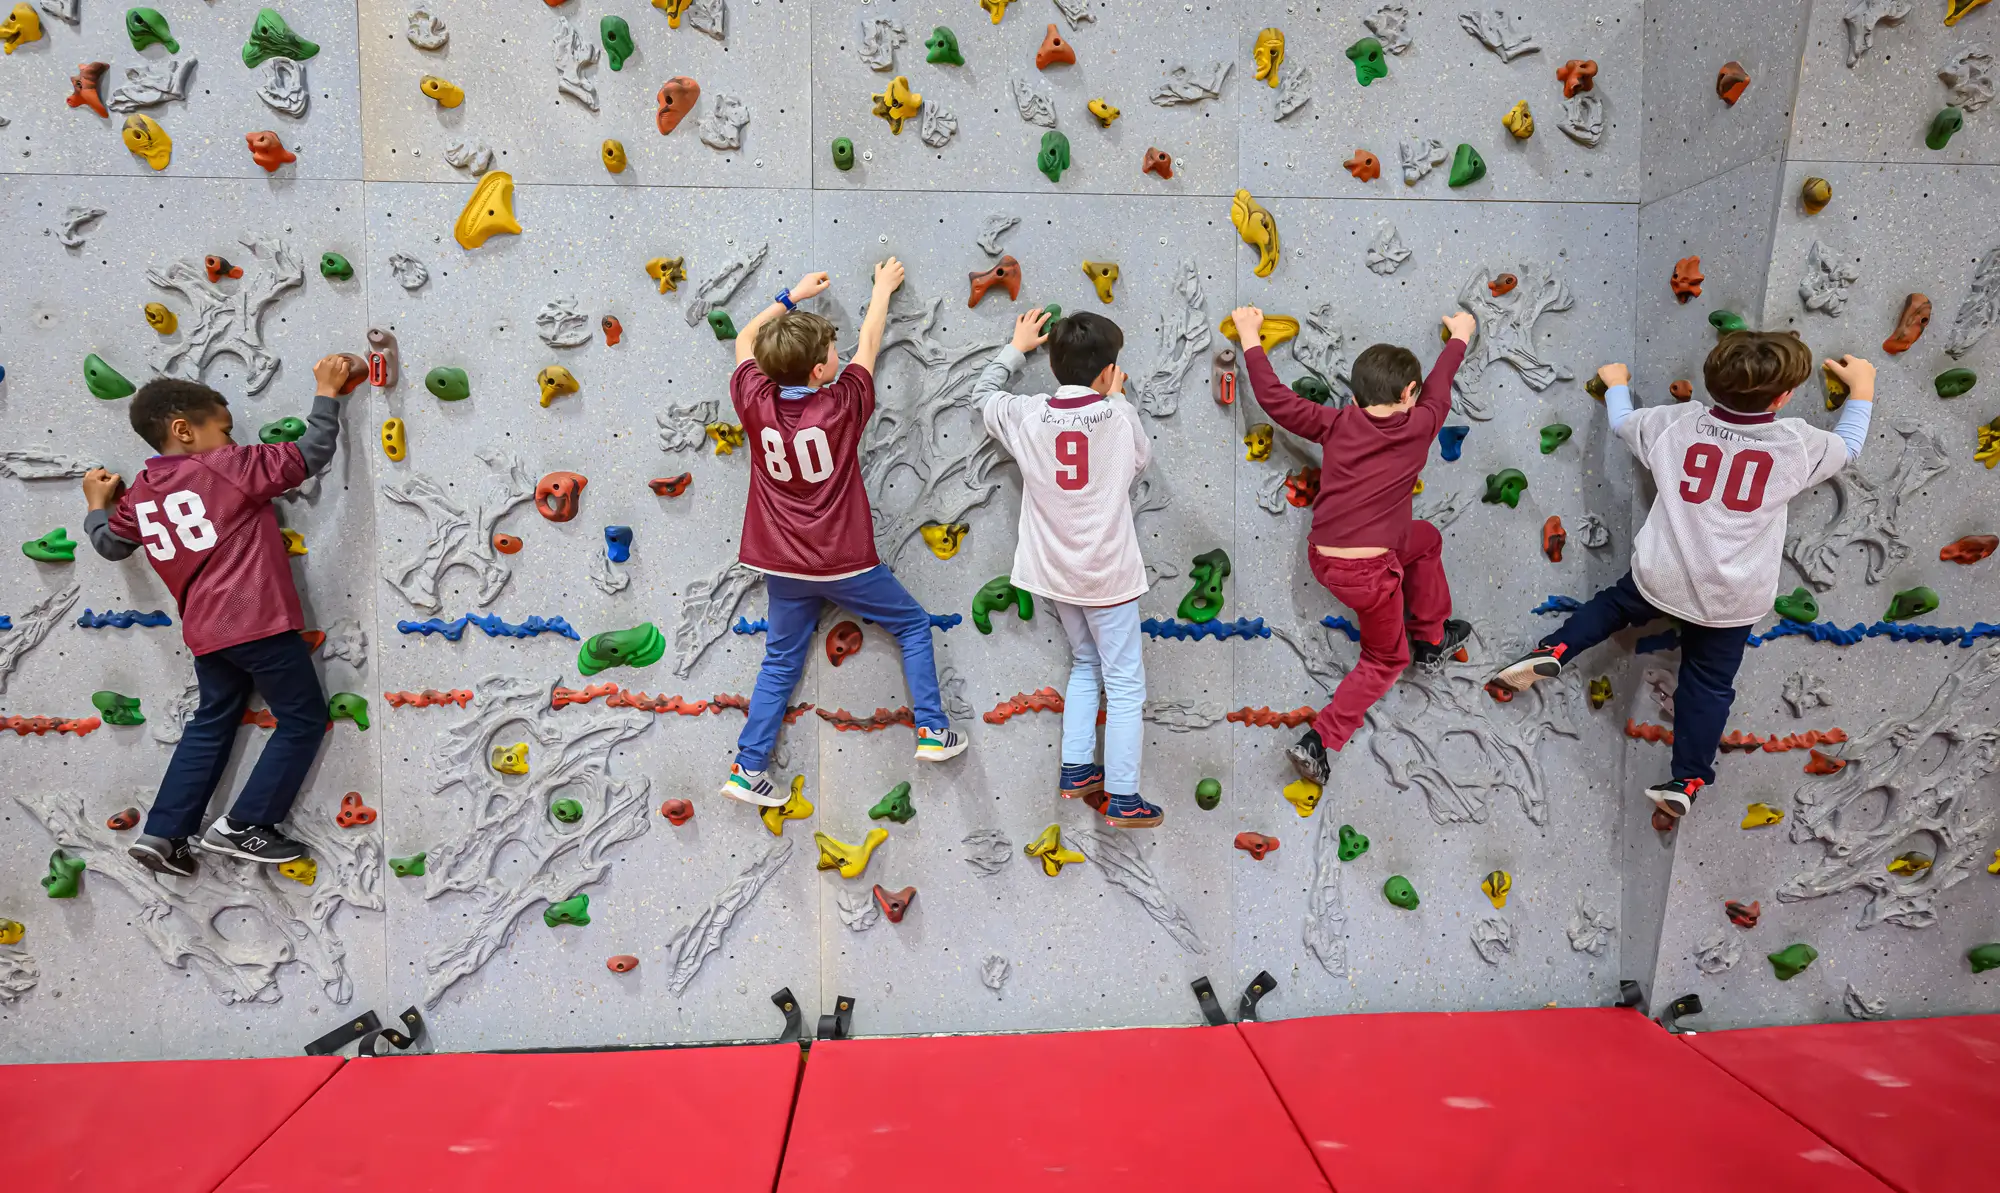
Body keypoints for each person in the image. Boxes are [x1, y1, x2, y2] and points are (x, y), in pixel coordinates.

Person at [1491, 334, 1877, 819]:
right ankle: (1687, 778)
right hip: (1731, 598)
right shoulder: (1797, 444)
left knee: (1611, 607)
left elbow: (1622, 423)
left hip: (1663, 574)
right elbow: (1852, 446)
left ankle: (1556, 649)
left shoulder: (1676, 422)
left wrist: (1615, 385)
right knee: (1709, 684)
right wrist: (1862, 386)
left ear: (1712, 382)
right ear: (1782, 398)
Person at [82, 357, 353, 876]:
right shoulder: (228, 467)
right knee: (302, 720)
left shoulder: (138, 496)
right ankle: (244, 824)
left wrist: (97, 504)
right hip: (258, 622)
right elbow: (312, 451)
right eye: (224, 430)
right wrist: (326, 391)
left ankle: (163, 833)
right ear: (184, 430)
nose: (232, 440)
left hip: (207, 633)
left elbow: (110, 544)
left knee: (211, 721)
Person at [719, 258, 967, 807]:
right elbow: (872, 342)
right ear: (818, 372)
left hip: (782, 564)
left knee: (779, 660)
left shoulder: (755, 401)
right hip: (846, 562)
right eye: (832, 350)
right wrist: (881, 288)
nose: (842, 352)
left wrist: (790, 298)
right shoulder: (842, 403)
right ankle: (931, 729)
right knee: (912, 624)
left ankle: (746, 767)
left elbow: (743, 338)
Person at [1231, 307, 1476, 788]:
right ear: (1409, 394)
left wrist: (1249, 337)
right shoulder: (1422, 422)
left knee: (1425, 539)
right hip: (1371, 572)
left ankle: (1430, 637)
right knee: (1385, 659)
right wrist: (1460, 336)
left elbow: (1275, 401)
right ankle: (1319, 741)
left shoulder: (1338, 423)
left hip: (1326, 555)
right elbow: (1443, 382)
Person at [975, 309, 1163, 828]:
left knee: (1086, 664)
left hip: (1055, 574)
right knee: (1124, 685)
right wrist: (1118, 398)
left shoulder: (1029, 415)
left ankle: (1077, 768)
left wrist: (1015, 348)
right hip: (1107, 575)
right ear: (1107, 372)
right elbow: (1139, 461)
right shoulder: (1119, 417)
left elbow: (982, 396)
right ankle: (1124, 796)